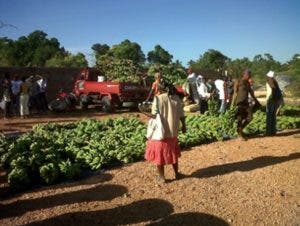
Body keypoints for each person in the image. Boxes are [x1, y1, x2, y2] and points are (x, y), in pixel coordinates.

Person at [143, 80, 186, 183]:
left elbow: (154, 115)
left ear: (161, 89)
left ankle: (161, 177)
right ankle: (177, 174)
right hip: (173, 132)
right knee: (173, 153)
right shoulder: (177, 99)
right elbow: (182, 116)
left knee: (159, 155)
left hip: (161, 133)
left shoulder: (158, 99)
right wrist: (184, 127)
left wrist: (144, 112)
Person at [232, 69, 260, 140]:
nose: (250, 76)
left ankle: (240, 130)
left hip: (246, 103)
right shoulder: (238, 81)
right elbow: (235, 93)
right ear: (244, 74)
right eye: (248, 75)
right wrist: (232, 104)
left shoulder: (247, 83)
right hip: (239, 103)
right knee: (239, 119)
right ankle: (239, 135)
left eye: (250, 75)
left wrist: (256, 101)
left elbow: (251, 92)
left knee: (250, 117)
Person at [265, 70, 282, 136]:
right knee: (273, 116)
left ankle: (268, 132)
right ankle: (273, 131)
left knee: (269, 116)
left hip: (270, 99)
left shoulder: (269, 81)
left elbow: (272, 89)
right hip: (275, 100)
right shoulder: (275, 81)